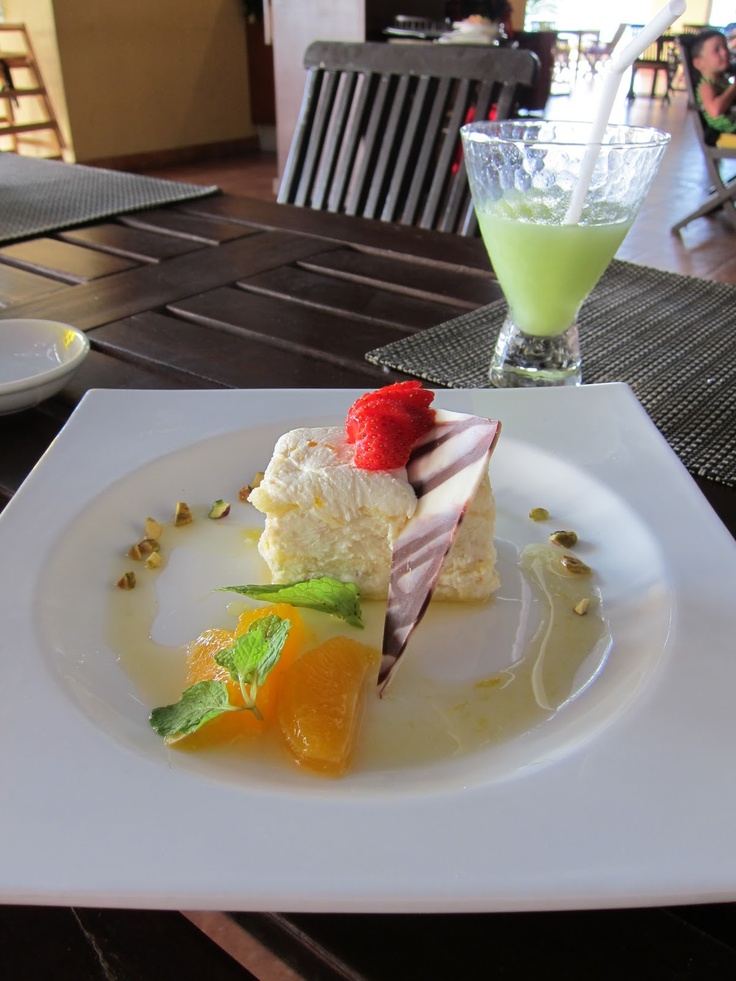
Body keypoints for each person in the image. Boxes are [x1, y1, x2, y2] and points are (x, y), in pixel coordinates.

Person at [690, 29, 736, 147]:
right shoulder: (706, 85)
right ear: (699, 63)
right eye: (717, 50)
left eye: (725, 47)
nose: (725, 52)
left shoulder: (723, 81)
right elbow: (715, 110)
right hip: (728, 131)